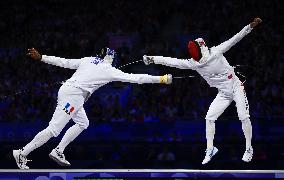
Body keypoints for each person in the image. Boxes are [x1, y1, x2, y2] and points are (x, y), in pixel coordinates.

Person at [13, 47, 172, 169]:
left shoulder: (88, 59)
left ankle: (58, 150)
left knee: (83, 123)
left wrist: (42, 57)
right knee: (54, 130)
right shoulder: (109, 70)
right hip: (74, 96)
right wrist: (161, 79)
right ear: (111, 58)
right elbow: (136, 78)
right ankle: (22, 153)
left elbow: (64, 62)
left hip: (71, 93)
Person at [143, 17, 262, 164]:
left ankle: (249, 148)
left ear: (201, 49)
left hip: (236, 87)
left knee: (243, 116)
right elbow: (171, 61)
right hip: (223, 93)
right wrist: (152, 58)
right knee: (209, 118)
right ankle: (211, 148)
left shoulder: (216, 52)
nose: (196, 59)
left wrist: (250, 26)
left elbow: (235, 38)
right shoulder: (193, 63)